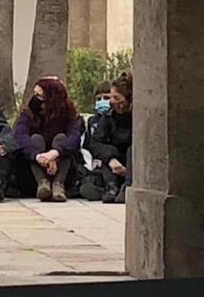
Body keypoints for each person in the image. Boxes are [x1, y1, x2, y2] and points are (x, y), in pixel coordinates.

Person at [13, 77, 84, 202]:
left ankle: (58, 184)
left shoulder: (70, 115)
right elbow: (20, 136)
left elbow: (74, 138)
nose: (35, 99)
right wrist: (38, 156)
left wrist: (55, 153)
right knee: (35, 139)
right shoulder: (28, 114)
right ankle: (42, 183)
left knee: (61, 138)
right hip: (33, 168)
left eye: (39, 96)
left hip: (64, 166)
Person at [86, 74, 132, 204]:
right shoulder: (108, 116)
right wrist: (111, 159)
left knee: (132, 150)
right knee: (107, 151)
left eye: (116, 98)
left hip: (132, 161)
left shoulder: (137, 116)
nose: (112, 102)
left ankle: (127, 187)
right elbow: (94, 142)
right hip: (114, 162)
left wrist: (127, 170)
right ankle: (111, 187)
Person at [78, 82, 113, 200]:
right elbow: (89, 144)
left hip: (112, 158)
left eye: (106, 98)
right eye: (99, 99)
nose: (102, 101)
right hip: (96, 161)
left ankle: (111, 189)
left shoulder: (115, 119)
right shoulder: (92, 121)